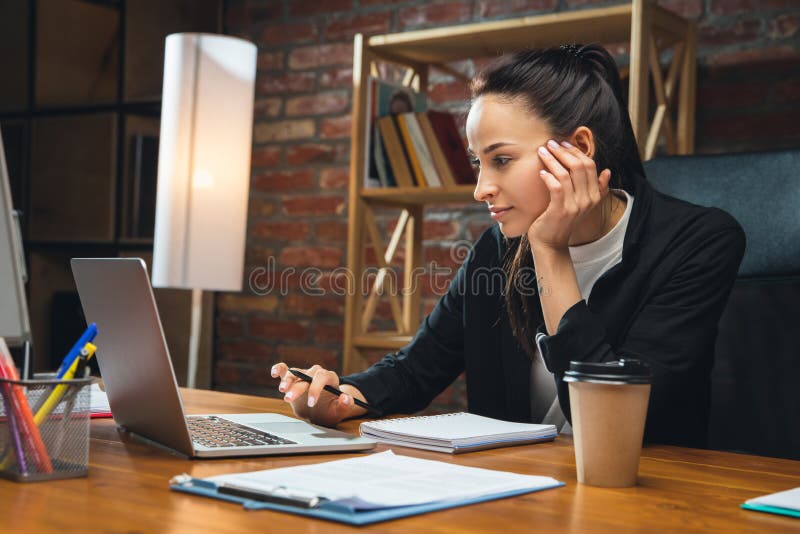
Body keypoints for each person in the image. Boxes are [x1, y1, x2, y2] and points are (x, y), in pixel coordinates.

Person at [271, 44, 745, 448]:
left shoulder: (698, 243)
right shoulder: (498, 248)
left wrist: (550, 252)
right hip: (517, 493)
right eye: (479, 162)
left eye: (501, 159)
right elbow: (416, 369)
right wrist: (343, 397)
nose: (481, 189)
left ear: (578, 149)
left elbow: (610, 423)